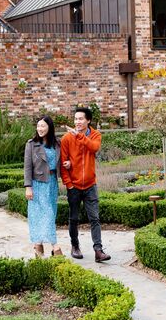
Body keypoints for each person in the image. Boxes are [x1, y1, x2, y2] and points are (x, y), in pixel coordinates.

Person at [60, 106, 110, 262]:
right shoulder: (67, 138)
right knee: (73, 218)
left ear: (88, 120)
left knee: (94, 218)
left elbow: (94, 147)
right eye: (75, 119)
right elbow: (63, 163)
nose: (77, 122)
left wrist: (80, 136)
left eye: (80, 119)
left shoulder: (95, 135)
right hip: (74, 185)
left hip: (90, 185)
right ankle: (75, 246)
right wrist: (69, 184)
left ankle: (98, 250)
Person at [23, 115, 64, 258]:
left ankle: (38, 245)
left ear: (49, 128)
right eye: (38, 126)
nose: (40, 129)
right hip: (38, 184)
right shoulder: (31, 144)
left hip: (52, 183)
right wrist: (28, 187)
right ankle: (55, 245)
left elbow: (62, 161)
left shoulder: (57, 143)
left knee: (50, 214)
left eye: (43, 126)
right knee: (39, 215)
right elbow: (27, 167)